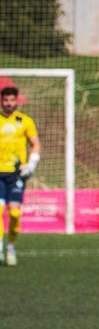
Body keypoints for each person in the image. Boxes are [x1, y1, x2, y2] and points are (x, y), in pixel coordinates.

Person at [0, 85, 40, 267]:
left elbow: (35, 144)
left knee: (15, 213)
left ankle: (11, 246)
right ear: (1, 102)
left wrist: (32, 163)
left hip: (16, 174)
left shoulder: (25, 121)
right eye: (5, 100)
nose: (8, 104)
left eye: (11, 100)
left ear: (16, 101)